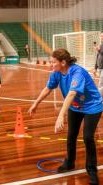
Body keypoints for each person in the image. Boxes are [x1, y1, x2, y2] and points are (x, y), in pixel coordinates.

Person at [28, 48, 102, 185]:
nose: (50, 65)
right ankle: (69, 162)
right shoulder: (56, 73)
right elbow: (48, 88)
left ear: (63, 62)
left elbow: (72, 93)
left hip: (92, 106)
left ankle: (92, 170)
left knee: (87, 137)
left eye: (53, 62)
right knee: (71, 135)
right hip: (75, 107)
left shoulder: (77, 72)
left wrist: (61, 115)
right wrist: (36, 103)